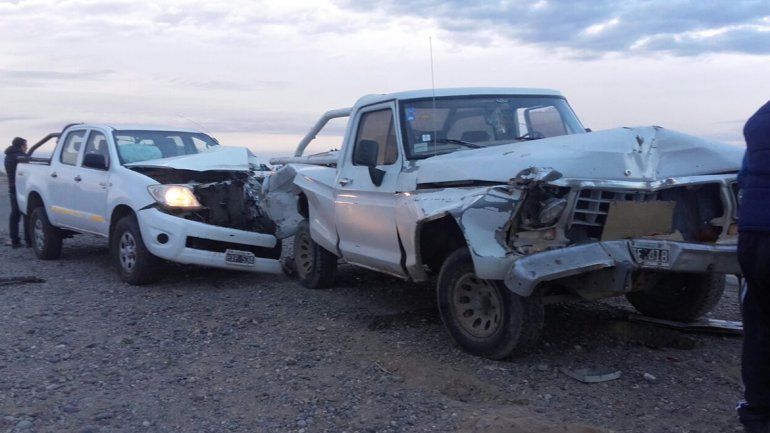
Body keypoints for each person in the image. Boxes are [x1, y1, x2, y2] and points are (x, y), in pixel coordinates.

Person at [737, 100, 770, 433]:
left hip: (755, 235)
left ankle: (757, 414)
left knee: (759, 325)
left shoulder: (760, 119)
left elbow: (743, 175)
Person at [4, 137, 27, 248]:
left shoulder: (9, 156)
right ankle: (28, 240)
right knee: (25, 213)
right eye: (25, 145)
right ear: (21, 146)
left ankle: (15, 239)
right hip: (19, 188)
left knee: (15, 214)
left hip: (12, 187)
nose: (26, 147)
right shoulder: (18, 157)